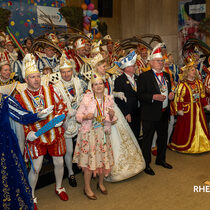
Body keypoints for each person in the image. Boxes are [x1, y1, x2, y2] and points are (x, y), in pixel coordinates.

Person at [15, 53, 69, 209]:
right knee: (37, 168)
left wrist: (60, 118)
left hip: (54, 134)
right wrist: (27, 134)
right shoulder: (20, 98)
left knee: (59, 162)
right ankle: (31, 195)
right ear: (26, 80)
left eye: (38, 76)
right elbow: (20, 118)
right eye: (32, 77)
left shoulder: (51, 90)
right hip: (36, 138)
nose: (36, 79)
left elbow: (62, 106)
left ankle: (59, 187)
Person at [87, 53, 145, 182]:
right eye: (103, 66)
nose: (105, 68)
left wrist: (117, 94)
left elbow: (109, 92)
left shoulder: (107, 78)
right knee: (107, 141)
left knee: (122, 137)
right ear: (97, 67)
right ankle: (108, 171)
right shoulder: (92, 80)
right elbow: (91, 98)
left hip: (113, 109)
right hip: (101, 111)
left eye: (105, 66)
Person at [0, 85, 53, 209]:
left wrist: (38, 115)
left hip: (5, 146)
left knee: (10, 177)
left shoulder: (5, 99)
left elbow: (22, 116)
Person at [73, 72, 117, 200]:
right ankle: (87, 187)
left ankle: (101, 183)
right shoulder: (87, 99)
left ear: (104, 85)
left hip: (103, 134)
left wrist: (111, 115)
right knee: (89, 162)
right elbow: (78, 116)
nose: (98, 86)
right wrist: (86, 116)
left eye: (100, 84)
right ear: (92, 87)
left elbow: (113, 119)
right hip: (89, 134)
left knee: (103, 160)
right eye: (95, 84)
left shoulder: (108, 99)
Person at [138, 43, 174, 176]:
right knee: (147, 140)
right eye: (159, 61)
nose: (161, 63)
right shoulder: (144, 77)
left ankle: (161, 159)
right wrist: (153, 96)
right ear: (151, 62)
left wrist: (171, 96)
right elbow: (140, 95)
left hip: (164, 113)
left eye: (162, 61)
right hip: (150, 114)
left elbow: (168, 91)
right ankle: (146, 164)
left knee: (163, 138)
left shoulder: (166, 75)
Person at [52, 52, 86, 187]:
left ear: (72, 70)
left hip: (80, 119)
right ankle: (70, 172)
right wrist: (67, 112)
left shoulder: (78, 81)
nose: (66, 74)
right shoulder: (56, 86)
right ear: (60, 72)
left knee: (82, 146)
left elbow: (84, 95)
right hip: (66, 121)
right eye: (63, 72)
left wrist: (82, 104)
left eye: (68, 71)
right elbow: (55, 105)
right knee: (69, 150)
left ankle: (83, 167)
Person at [170, 60, 210, 153]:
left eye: (194, 69)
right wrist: (179, 109)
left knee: (200, 126)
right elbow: (179, 98)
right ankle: (186, 146)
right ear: (187, 72)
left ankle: (201, 144)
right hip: (187, 110)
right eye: (192, 70)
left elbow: (202, 96)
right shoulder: (182, 84)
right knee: (185, 129)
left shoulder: (199, 83)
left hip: (198, 109)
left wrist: (206, 105)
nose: (194, 71)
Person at [114, 51, 141, 141]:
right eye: (133, 66)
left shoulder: (137, 78)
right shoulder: (119, 80)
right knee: (129, 136)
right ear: (126, 68)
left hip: (138, 111)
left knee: (137, 134)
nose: (135, 67)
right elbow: (118, 100)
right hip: (128, 112)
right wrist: (126, 113)